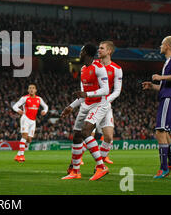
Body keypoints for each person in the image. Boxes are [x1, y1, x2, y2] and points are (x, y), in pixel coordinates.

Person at [60, 44, 110, 181]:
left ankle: (101, 167)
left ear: (87, 53)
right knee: (76, 136)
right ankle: (75, 171)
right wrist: (71, 106)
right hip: (85, 105)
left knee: (86, 131)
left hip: (99, 104)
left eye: (81, 52)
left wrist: (86, 93)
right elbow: (83, 95)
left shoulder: (99, 68)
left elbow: (106, 90)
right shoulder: (82, 69)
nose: (79, 54)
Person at [142, 36, 171, 179]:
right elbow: (164, 86)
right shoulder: (168, 62)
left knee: (160, 132)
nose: (160, 47)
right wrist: (153, 85)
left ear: (167, 46)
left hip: (169, 99)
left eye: (161, 44)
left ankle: (164, 168)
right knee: (164, 132)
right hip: (167, 97)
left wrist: (161, 77)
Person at [94, 40, 123, 164]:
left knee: (109, 136)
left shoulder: (116, 69)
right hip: (91, 103)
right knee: (87, 133)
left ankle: (103, 157)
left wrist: (106, 100)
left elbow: (117, 90)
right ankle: (75, 164)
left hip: (105, 103)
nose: (98, 50)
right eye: (99, 48)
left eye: (102, 48)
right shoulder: (93, 64)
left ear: (109, 51)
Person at [12, 84, 48, 162]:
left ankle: (18, 154)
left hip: (33, 121)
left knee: (29, 140)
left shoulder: (39, 99)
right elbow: (15, 106)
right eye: (30, 88)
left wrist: (44, 111)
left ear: (36, 90)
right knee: (24, 135)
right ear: (28, 90)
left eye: (33, 88)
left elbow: (46, 106)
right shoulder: (24, 98)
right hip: (25, 119)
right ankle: (21, 155)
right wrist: (18, 110)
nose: (31, 89)